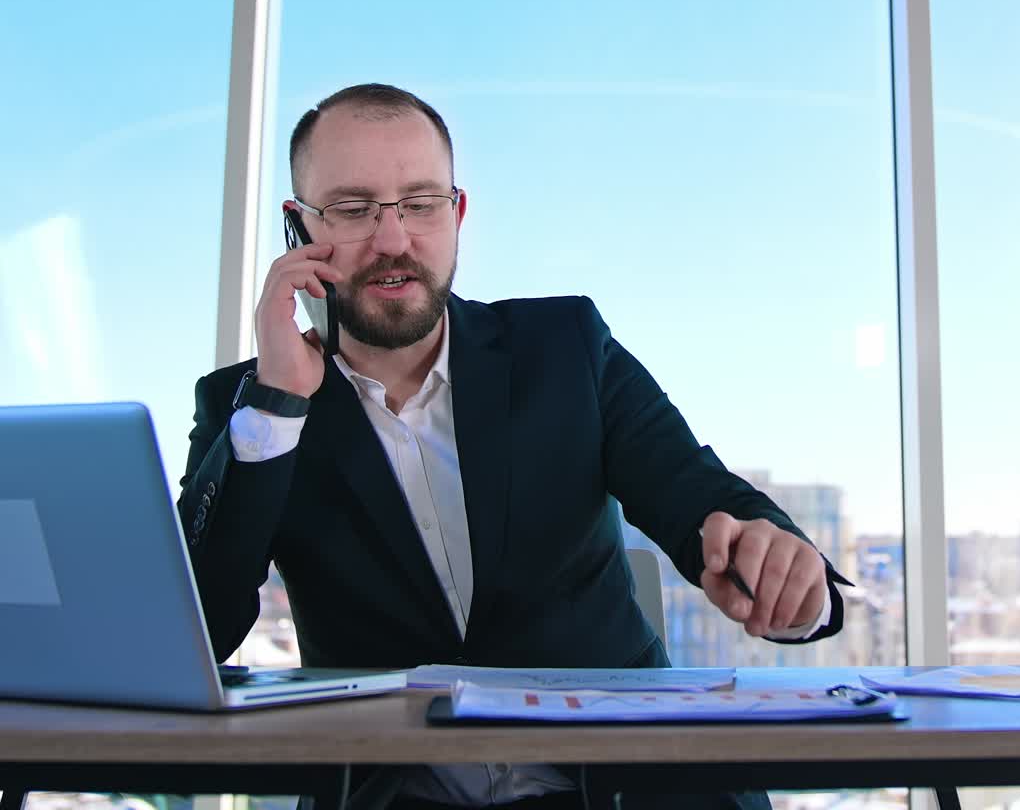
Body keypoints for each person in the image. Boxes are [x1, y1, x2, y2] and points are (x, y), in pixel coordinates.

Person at [179, 83, 849, 810]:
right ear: (298, 228)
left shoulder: (566, 350)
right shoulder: (245, 411)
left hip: (625, 793)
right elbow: (194, 636)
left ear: (457, 214)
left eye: (420, 204)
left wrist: (786, 573)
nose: (394, 240)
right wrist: (276, 404)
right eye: (352, 209)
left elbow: (706, 500)